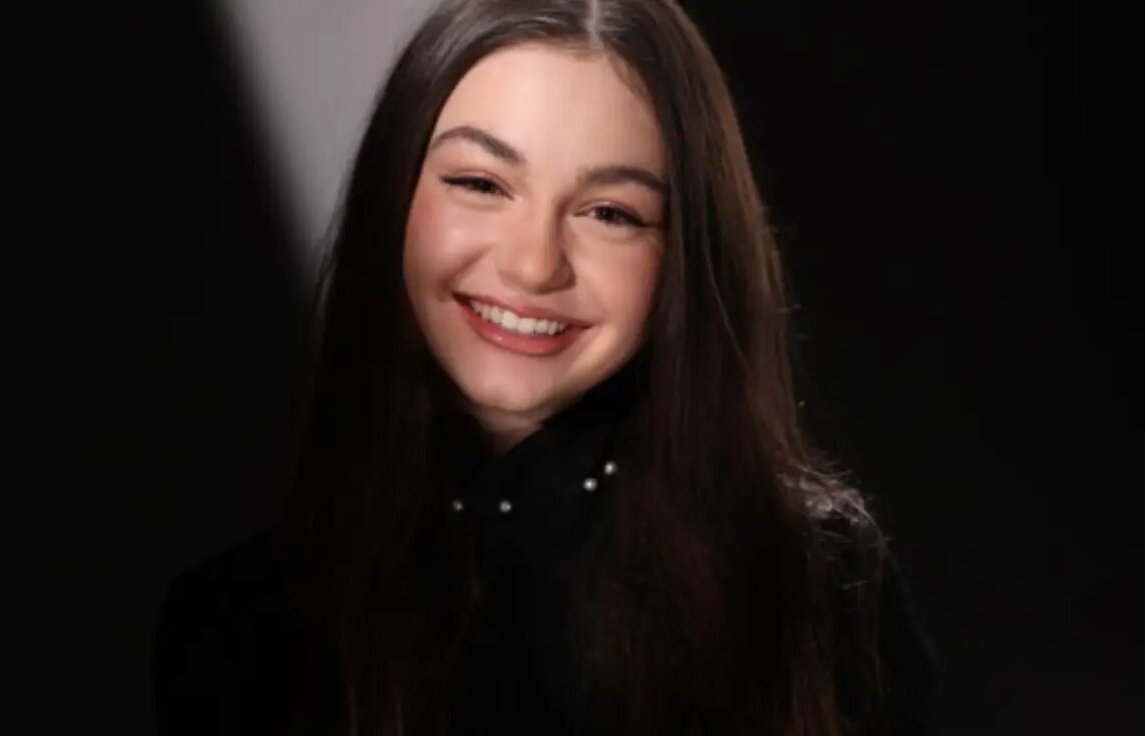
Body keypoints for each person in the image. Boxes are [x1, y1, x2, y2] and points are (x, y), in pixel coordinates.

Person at [151, 0, 937, 733]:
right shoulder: (239, 628)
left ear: (685, 254)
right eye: (480, 184)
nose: (533, 265)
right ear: (392, 194)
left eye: (610, 213)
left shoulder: (816, 589)